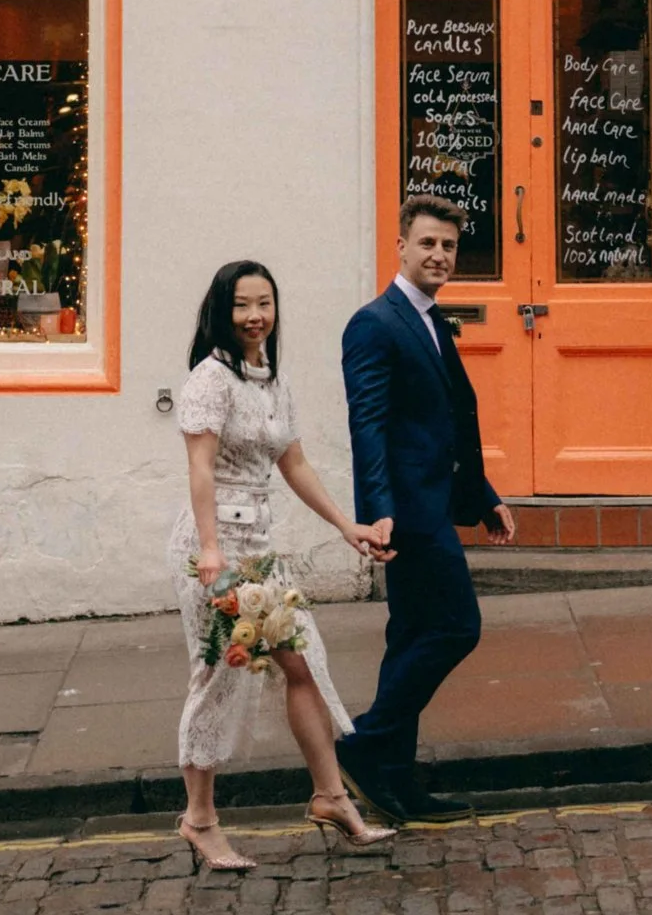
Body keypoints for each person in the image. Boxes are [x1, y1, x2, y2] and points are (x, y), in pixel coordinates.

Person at [174, 258, 394, 874]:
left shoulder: (273, 380)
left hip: (261, 548)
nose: (255, 316)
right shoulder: (209, 380)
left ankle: (330, 797)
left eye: (264, 303)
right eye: (243, 305)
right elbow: (200, 470)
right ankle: (200, 820)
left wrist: (345, 525)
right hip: (214, 549)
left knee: (303, 665)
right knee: (218, 677)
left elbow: (293, 464)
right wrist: (211, 552)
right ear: (224, 310)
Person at [338, 196, 515, 827]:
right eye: (428, 245)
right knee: (455, 628)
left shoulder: (432, 320)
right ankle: (362, 743)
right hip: (409, 517)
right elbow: (370, 425)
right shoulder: (375, 323)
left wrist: (483, 493)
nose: (439, 256)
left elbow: (445, 424)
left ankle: (395, 780)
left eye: (448, 247)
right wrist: (378, 512)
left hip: (437, 502)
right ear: (401, 248)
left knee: (412, 637)